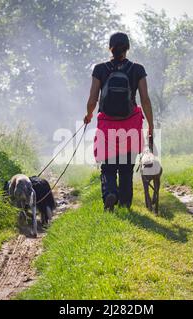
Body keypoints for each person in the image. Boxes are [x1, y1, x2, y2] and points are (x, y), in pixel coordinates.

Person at [84, 32, 154, 211]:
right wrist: (151, 125)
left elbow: (93, 98)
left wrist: (89, 115)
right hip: (130, 124)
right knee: (125, 168)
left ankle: (109, 194)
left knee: (108, 167)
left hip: (107, 124)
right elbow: (145, 99)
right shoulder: (137, 69)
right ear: (128, 47)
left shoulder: (100, 69)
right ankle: (124, 203)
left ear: (110, 47)